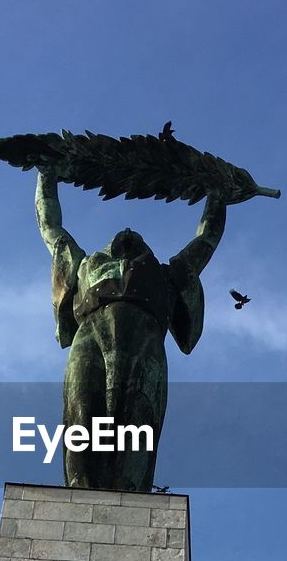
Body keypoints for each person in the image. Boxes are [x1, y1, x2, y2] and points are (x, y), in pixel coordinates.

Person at [35, 167, 226, 492]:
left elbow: (205, 241)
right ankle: (80, 490)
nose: (127, 232)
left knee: (136, 420)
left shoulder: (167, 275)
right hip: (90, 339)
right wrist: (46, 174)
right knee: (82, 416)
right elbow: (50, 227)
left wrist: (217, 196)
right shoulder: (84, 267)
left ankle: (130, 490)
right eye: (121, 236)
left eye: (137, 237)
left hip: (145, 346)